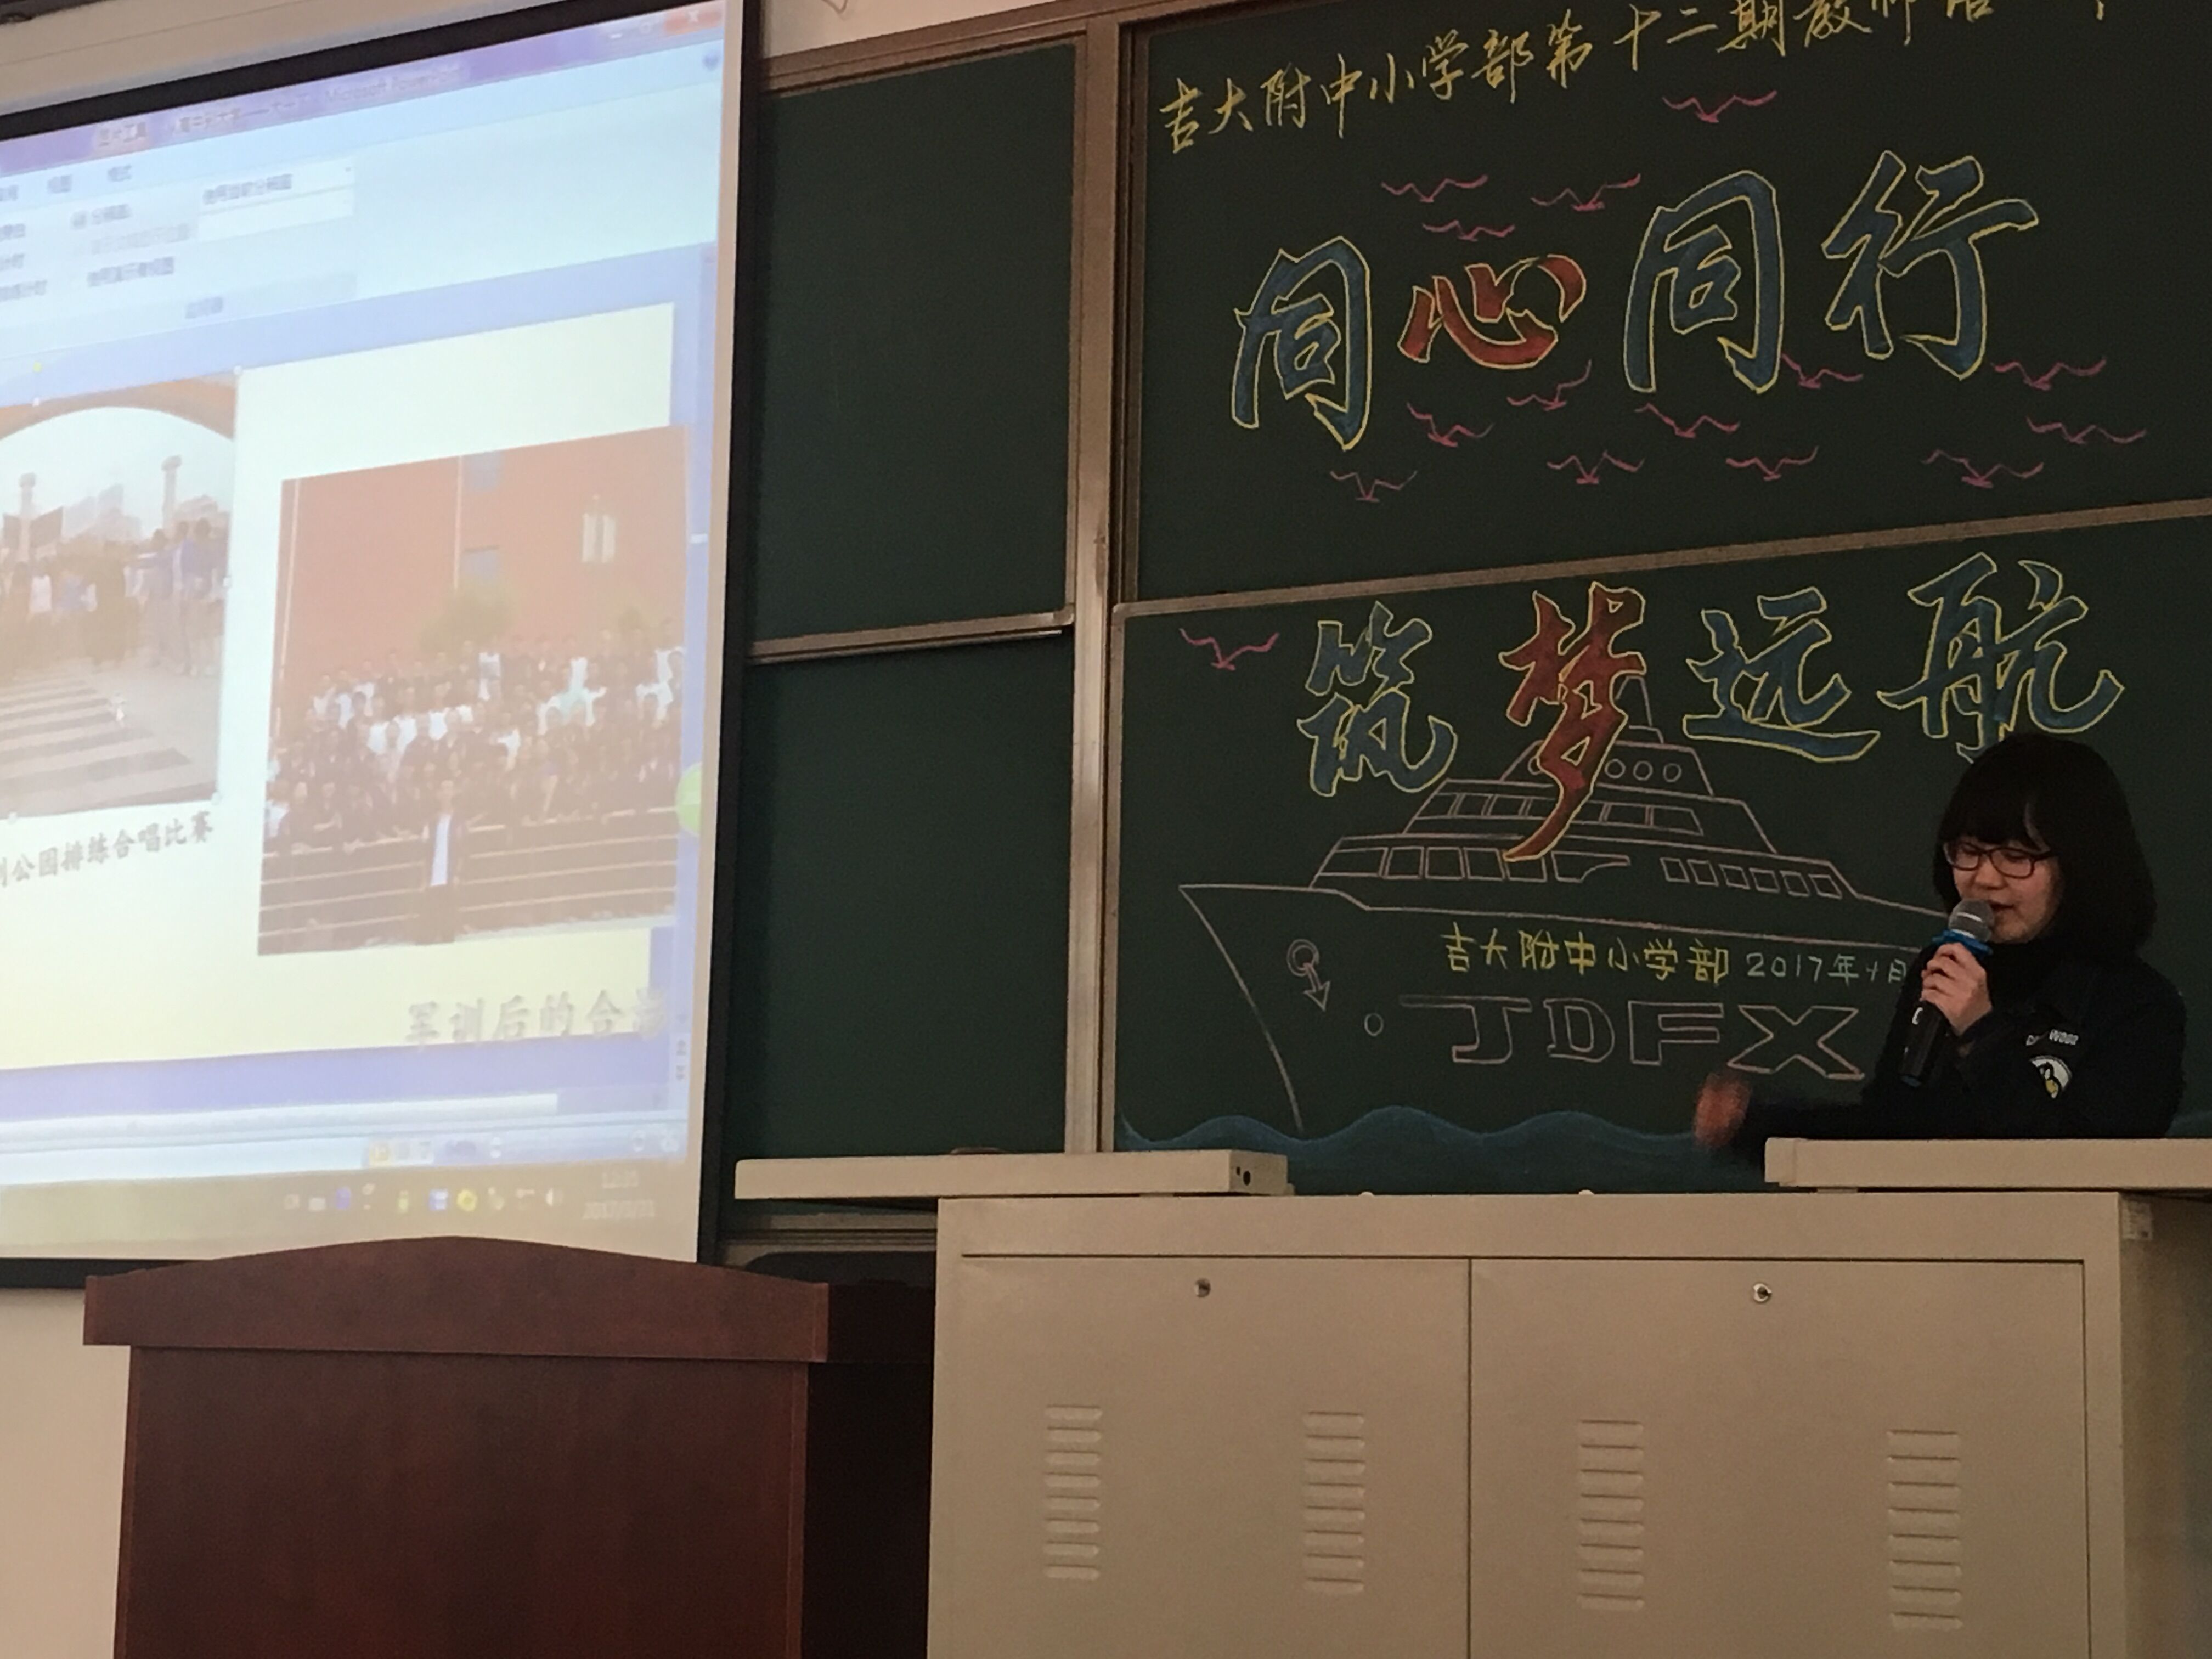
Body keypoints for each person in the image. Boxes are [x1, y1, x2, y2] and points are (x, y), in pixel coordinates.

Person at [1695, 732, 2183, 1149]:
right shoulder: (1948, 966)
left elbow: (2088, 1156)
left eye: (2016, 857)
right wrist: (1757, 1126)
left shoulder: (2136, 1006)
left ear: (2082, 864)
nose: (1984, 879)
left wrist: (1982, 1033)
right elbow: (1894, 1132)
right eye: (1969, 851)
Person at [418, 777, 469, 944]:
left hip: (451, 874)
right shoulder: (432, 822)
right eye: (443, 789)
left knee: (449, 918)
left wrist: (458, 874)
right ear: (438, 794)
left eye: (450, 788)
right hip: (434, 874)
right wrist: (424, 878)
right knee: (432, 916)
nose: (446, 793)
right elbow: (425, 853)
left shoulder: (459, 820)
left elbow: (463, 850)